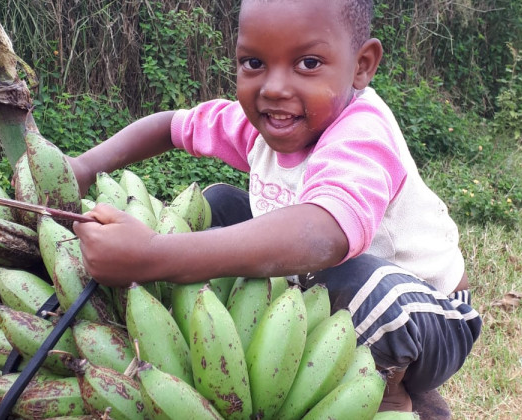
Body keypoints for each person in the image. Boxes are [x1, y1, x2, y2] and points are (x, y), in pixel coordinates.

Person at [68, 0, 482, 418]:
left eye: (307, 62)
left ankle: (387, 393)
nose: (274, 88)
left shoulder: (362, 133)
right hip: (320, 280)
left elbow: (323, 234)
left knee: (358, 280)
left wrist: (153, 254)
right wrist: (84, 166)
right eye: (254, 63)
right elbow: (171, 126)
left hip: (429, 316)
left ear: (361, 66)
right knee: (219, 204)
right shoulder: (263, 123)